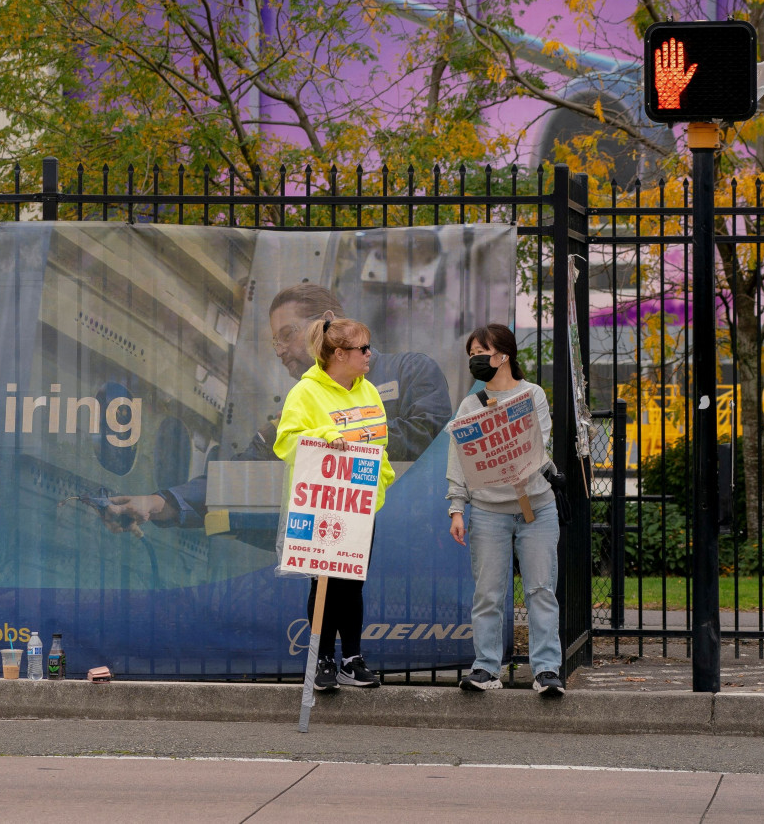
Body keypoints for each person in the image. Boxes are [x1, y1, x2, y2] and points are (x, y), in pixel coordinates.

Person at [102, 283, 448, 533]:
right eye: (274, 340)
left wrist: (335, 439)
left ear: (327, 322)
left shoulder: (410, 371)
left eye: (287, 334)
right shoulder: (300, 402)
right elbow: (240, 475)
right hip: (330, 542)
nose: (279, 349)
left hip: (408, 537)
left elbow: (430, 440)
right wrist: (160, 503)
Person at [273, 312, 395, 692]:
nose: (369, 354)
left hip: (359, 504)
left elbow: (379, 441)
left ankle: (352, 658)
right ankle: (324, 657)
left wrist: (382, 477)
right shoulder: (305, 392)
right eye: (363, 348)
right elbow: (286, 441)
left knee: (351, 582)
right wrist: (326, 435)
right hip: (320, 504)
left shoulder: (368, 390)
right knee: (324, 581)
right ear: (339, 354)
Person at [446, 323, 565, 696]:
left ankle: (546, 670)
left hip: (537, 508)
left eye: (481, 352)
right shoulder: (470, 405)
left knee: (541, 590)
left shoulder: (532, 395)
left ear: (504, 355)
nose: (476, 360)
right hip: (487, 512)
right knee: (488, 594)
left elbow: (539, 443)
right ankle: (485, 668)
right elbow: (458, 459)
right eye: (471, 355)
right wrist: (456, 508)